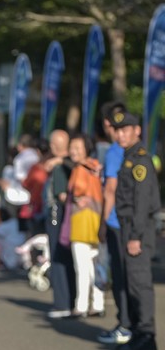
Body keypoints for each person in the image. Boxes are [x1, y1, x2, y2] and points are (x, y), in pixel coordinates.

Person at [109, 110, 160, 350]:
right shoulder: (128, 157)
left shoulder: (140, 160)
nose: (120, 135)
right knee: (132, 282)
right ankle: (139, 331)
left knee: (140, 283)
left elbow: (142, 202)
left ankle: (147, 334)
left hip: (137, 227)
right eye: (117, 130)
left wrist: (136, 236)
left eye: (125, 130)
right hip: (128, 225)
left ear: (136, 131)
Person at [96, 101, 132, 346]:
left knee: (120, 276)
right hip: (129, 221)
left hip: (115, 221)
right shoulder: (131, 150)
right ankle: (129, 324)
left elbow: (110, 188)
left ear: (106, 124)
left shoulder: (114, 151)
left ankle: (125, 324)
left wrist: (102, 221)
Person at [65, 133, 105, 318]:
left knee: (81, 265)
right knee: (95, 264)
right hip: (98, 218)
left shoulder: (81, 168)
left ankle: (81, 305)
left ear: (86, 150)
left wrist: (76, 198)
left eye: (77, 148)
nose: (73, 151)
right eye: (72, 147)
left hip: (82, 219)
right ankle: (98, 302)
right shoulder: (97, 167)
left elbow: (79, 191)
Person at [41, 129, 77, 318]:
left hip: (57, 213)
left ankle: (62, 302)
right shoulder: (68, 164)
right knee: (66, 257)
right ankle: (69, 301)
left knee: (57, 254)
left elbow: (61, 195)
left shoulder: (58, 167)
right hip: (66, 214)